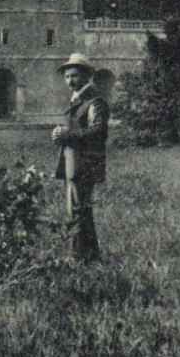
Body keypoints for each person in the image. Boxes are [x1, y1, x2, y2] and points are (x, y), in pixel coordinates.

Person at [52, 54, 113, 262]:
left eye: (75, 75)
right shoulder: (77, 102)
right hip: (72, 163)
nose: (70, 80)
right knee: (77, 210)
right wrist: (60, 136)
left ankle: (78, 257)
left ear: (87, 76)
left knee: (78, 211)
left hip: (84, 164)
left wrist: (67, 135)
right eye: (67, 76)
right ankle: (89, 256)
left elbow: (98, 133)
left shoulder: (95, 103)